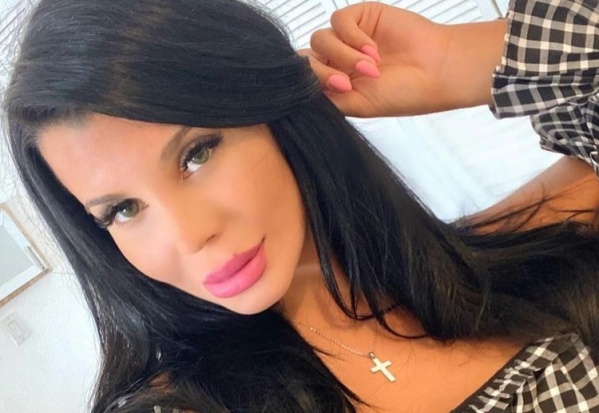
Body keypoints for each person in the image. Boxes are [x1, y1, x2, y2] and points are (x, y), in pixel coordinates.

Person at [3, 0, 599, 412]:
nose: (188, 236)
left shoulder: (533, 258)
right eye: (124, 210)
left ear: (276, 117)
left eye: (196, 154)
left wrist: (459, 59)